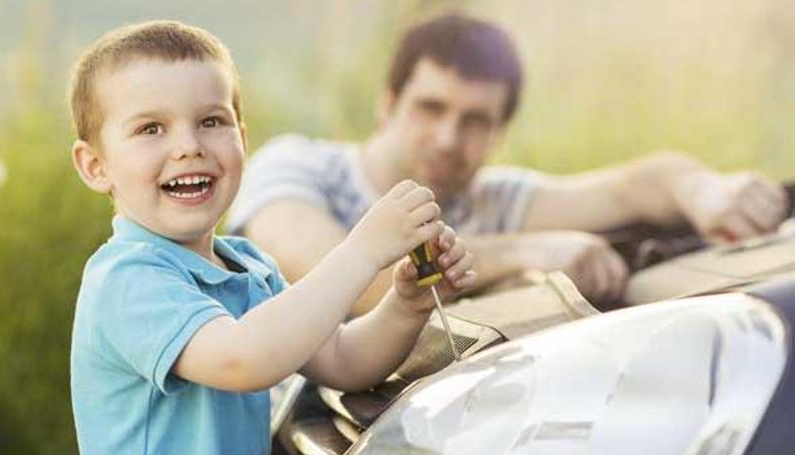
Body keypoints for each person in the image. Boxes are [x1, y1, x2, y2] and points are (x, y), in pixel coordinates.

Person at [66, 21, 475, 455]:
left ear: (242, 138)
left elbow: (343, 359)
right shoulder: (126, 279)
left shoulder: (247, 267)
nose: (188, 146)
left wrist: (406, 305)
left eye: (211, 121)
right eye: (150, 128)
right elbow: (244, 360)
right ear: (96, 166)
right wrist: (361, 251)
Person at [227, 12, 788, 313]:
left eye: (475, 121)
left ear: (500, 132)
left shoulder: (491, 199)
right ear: (387, 104)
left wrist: (707, 192)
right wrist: (527, 250)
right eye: (430, 108)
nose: (449, 138)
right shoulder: (296, 167)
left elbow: (637, 185)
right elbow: (343, 281)